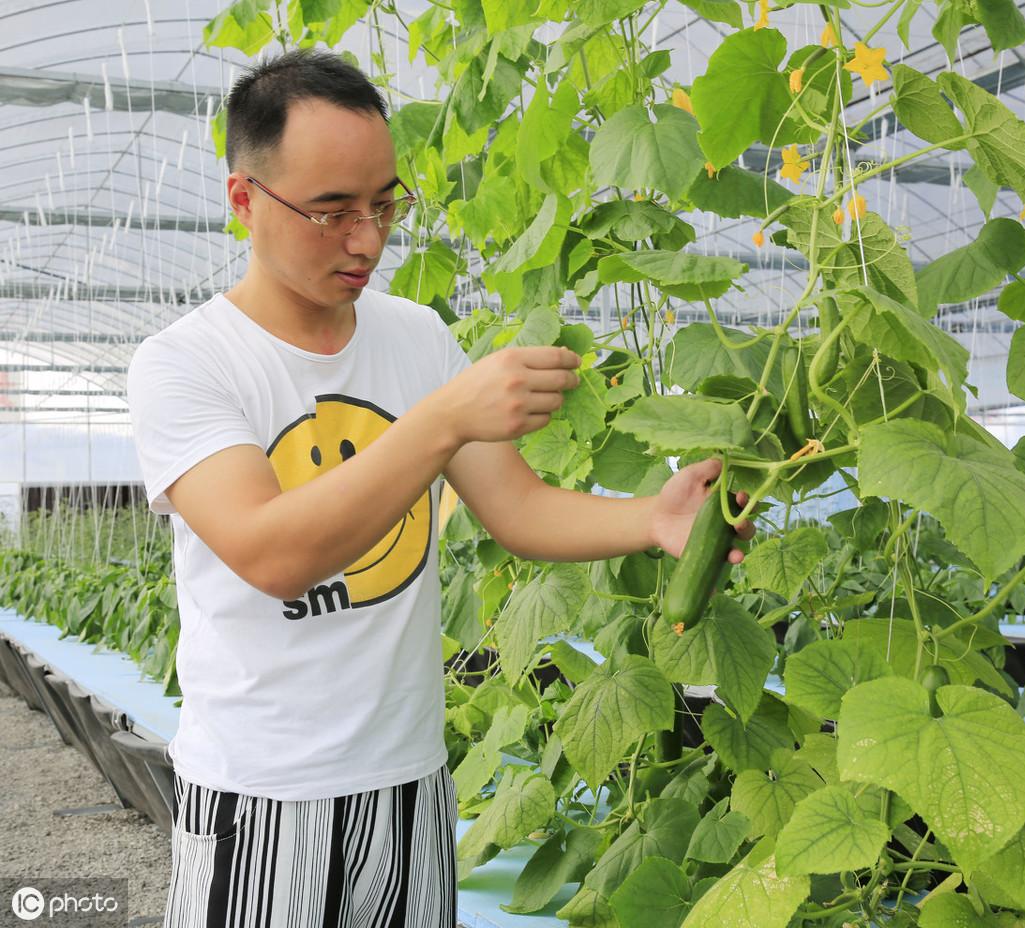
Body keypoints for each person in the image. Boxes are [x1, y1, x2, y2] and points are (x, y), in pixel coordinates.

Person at [125, 48, 754, 928]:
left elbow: (517, 507)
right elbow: (271, 553)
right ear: (244, 202)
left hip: (411, 783)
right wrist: (443, 418)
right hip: (262, 792)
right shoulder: (184, 364)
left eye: (385, 203)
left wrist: (652, 518)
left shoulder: (415, 337)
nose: (367, 238)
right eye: (332, 210)